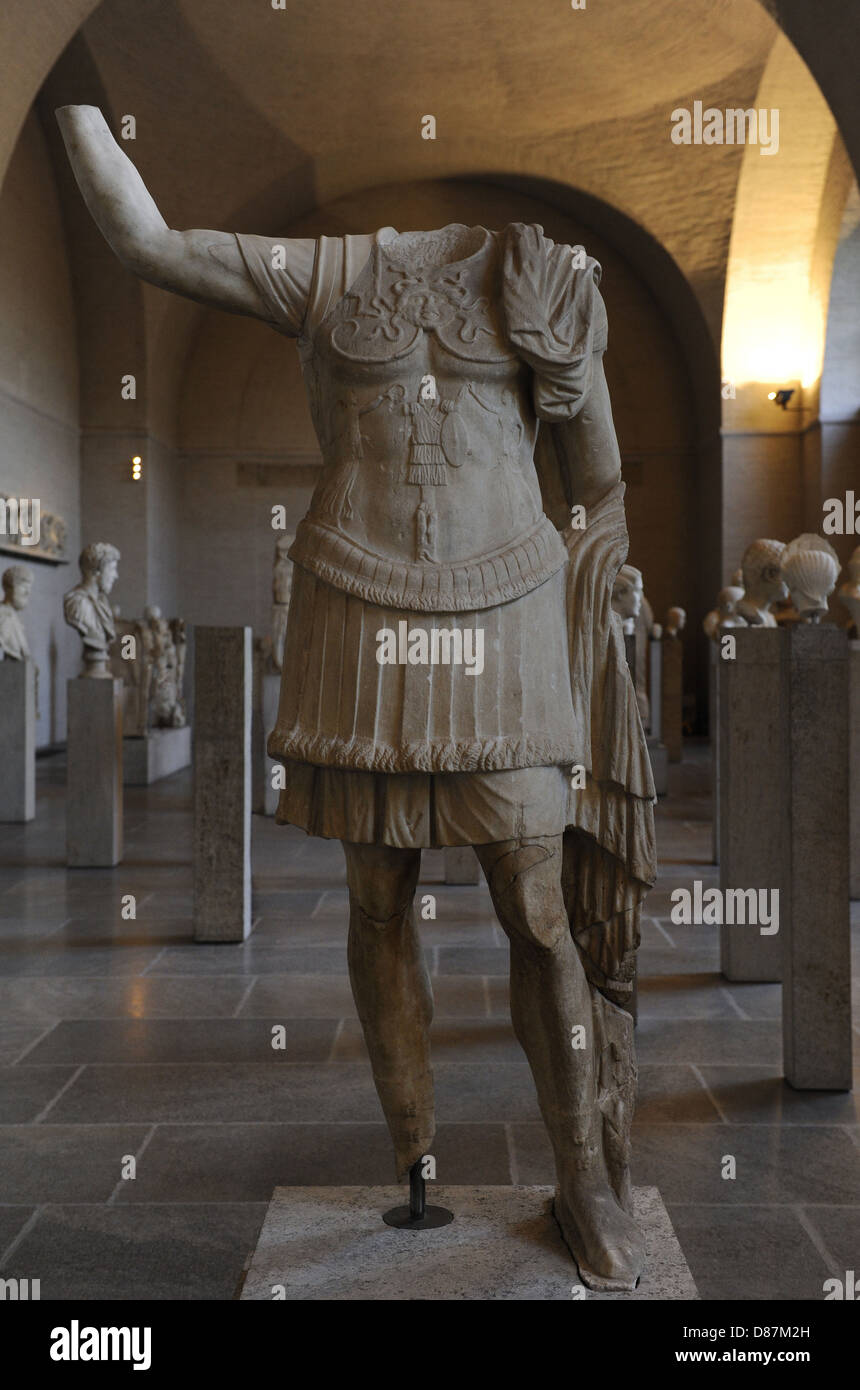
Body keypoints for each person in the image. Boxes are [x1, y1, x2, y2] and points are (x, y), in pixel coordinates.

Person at [56, 104, 656, 1290]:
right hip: (359, 610)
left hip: (505, 616)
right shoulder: (325, 275)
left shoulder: (535, 274)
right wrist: (48, 81)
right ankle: (414, 1149)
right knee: (375, 899)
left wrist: (600, 597)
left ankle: (582, 1175)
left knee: (536, 908)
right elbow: (145, 239)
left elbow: (594, 478)